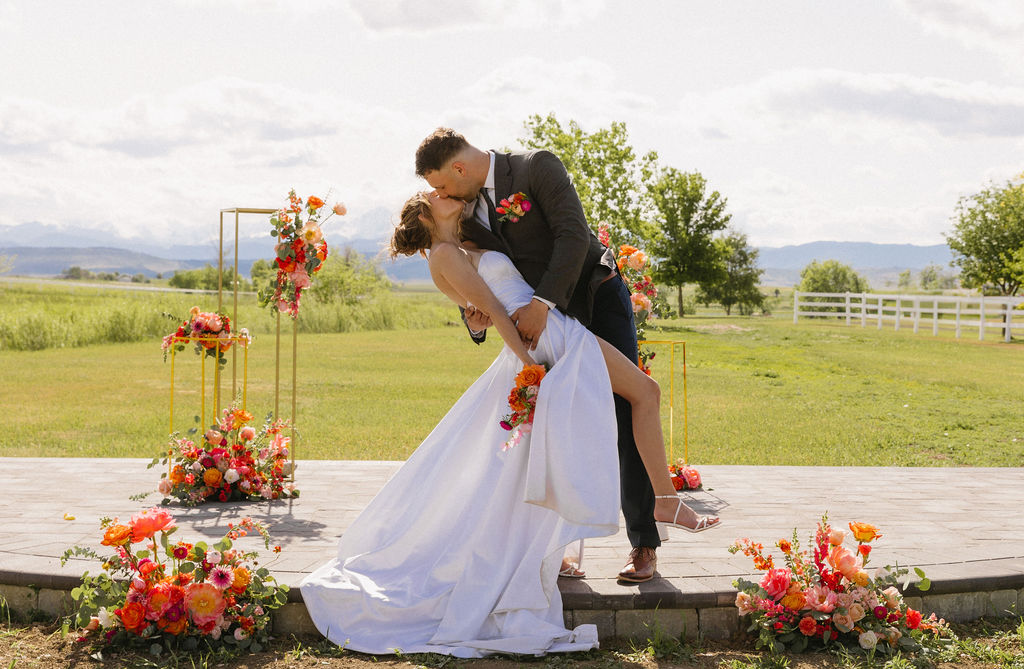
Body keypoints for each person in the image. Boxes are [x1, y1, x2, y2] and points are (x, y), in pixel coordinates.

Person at [299, 192, 718, 657]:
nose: (446, 195)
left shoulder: (464, 243)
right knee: (644, 393)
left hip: (549, 331)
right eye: (434, 195)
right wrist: (533, 368)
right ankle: (664, 502)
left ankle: (612, 524)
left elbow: (490, 301)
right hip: (546, 342)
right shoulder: (444, 255)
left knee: (553, 448)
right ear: (423, 214)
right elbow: (494, 313)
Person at [413, 127, 713, 583]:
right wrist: (477, 321)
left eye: (441, 185)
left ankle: (644, 545)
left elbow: (574, 236)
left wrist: (541, 304)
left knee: (623, 407)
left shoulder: (537, 167)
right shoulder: (466, 210)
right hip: (545, 330)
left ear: (458, 168)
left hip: (593, 299)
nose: (439, 193)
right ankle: (550, 549)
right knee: (551, 425)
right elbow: (476, 282)